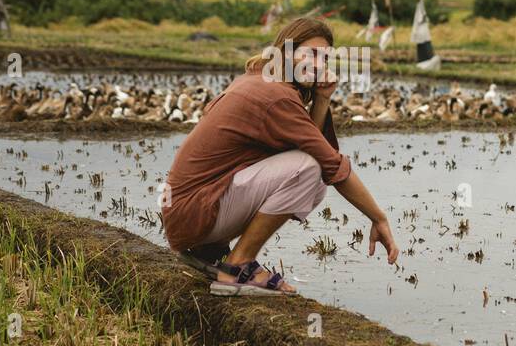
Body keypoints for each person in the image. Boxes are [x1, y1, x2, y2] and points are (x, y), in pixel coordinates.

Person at [161, 16, 399, 297]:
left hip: (186, 215)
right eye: (310, 54)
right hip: (193, 213)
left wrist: (321, 99)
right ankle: (237, 266)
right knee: (308, 169)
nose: (319, 65)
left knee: (311, 174)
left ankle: (212, 252)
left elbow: (312, 142)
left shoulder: (262, 80)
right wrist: (378, 218)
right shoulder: (277, 96)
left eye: (325, 58)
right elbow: (329, 164)